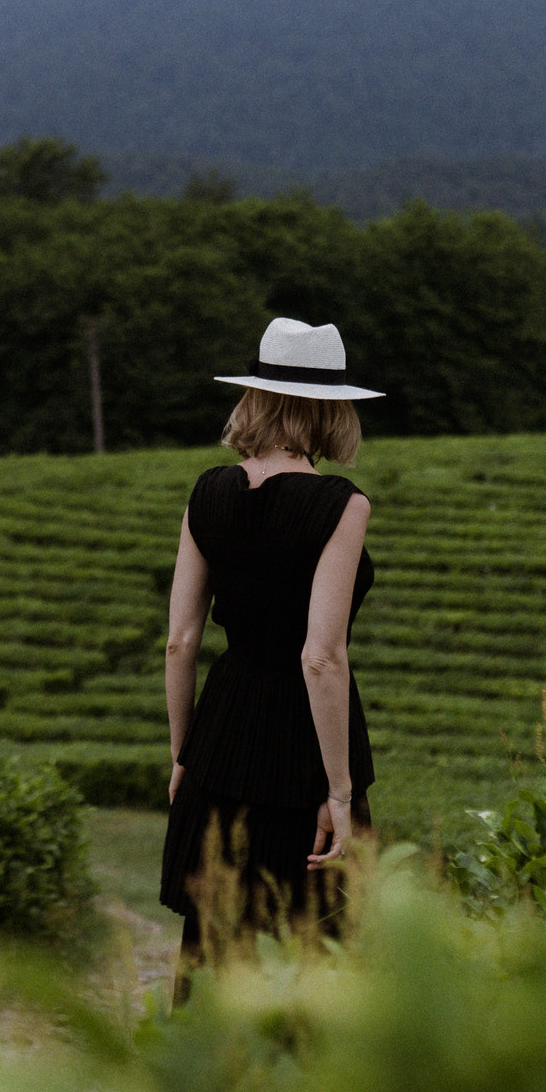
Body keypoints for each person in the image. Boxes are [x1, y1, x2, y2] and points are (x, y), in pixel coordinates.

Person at [160, 316, 382, 985]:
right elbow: (320, 655)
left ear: (255, 396)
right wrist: (337, 791)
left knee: (212, 943)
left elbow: (180, 641)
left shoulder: (209, 491)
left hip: (221, 738)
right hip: (301, 744)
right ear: (330, 408)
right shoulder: (341, 503)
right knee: (315, 945)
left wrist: (182, 752)